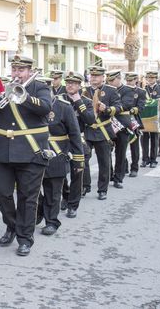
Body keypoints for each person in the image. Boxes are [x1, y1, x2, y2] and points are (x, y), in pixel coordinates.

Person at [0, 55, 51, 257]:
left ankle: (25, 238)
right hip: (2, 151)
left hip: (30, 152)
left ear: (30, 71)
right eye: (14, 69)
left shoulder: (39, 87)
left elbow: (45, 108)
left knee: (27, 197)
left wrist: (22, 96)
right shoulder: (0, 86)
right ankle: (12, 224)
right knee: (0, 191)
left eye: (21, 70)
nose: (16, 74)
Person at [35, 75, 83, 235]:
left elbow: (75, 134)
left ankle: (51, 221)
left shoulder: (64, 107)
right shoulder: (30, 105)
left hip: (56, 154)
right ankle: (39, 210)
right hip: (33, 153)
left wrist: (78, 159)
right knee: (32, 190)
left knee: (53, 191)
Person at [81, 66, 122, 200]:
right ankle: (85, 185)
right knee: (83, 159)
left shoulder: (111, 91)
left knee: (104, 161)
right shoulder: (83, 91)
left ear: (103, 77)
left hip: (102, 130)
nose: (93, 78)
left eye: (96, 76)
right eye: (92, 76)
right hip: (87, 130)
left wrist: (108, 109)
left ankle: (102, 189)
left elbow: (118, 107)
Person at [61, 72, 95, 218]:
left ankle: (73, 205)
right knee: (59, 173)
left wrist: (78, 101)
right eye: (68, 82)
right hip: (61, 141)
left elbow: (90, 120)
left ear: (80, 85)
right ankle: (65, 195)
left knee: (77, 174)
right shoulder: (59, 100)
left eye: (74, 83)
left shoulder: (86, 101)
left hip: (78, 142)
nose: (70, 85)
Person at [107, 70, 136, 189]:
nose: (110, 83)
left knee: (120, 152)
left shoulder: (128, 90)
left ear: (119, 79)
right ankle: (109, 174)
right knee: (106, 151)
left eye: (112, 80)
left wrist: (109, 108)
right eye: (109, 80)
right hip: (107, 124)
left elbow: (126, 105)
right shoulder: (106, 90)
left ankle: (118, 178)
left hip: (122, 124)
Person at [141, 71, 160, 168]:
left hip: (156, 115)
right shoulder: (143, 88)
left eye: (152, 78)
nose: (150, 79)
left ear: (156, 78)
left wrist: (157, 100)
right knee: (144, 139)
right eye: (149, 78)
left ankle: (153, 160)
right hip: (145, 115)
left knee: (154, 139)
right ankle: (144, 159)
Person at [125, 72, 146, 177]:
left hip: (134, 120)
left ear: (135, 80)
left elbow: (141, 106)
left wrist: (133, 110)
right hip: (122, 119)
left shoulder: (141, 92)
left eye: (131, 80)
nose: (128, 82)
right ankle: (123, 167)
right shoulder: (121, 90)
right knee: (121, 145)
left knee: (134, 146)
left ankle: (134, 168)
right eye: (127, 80)